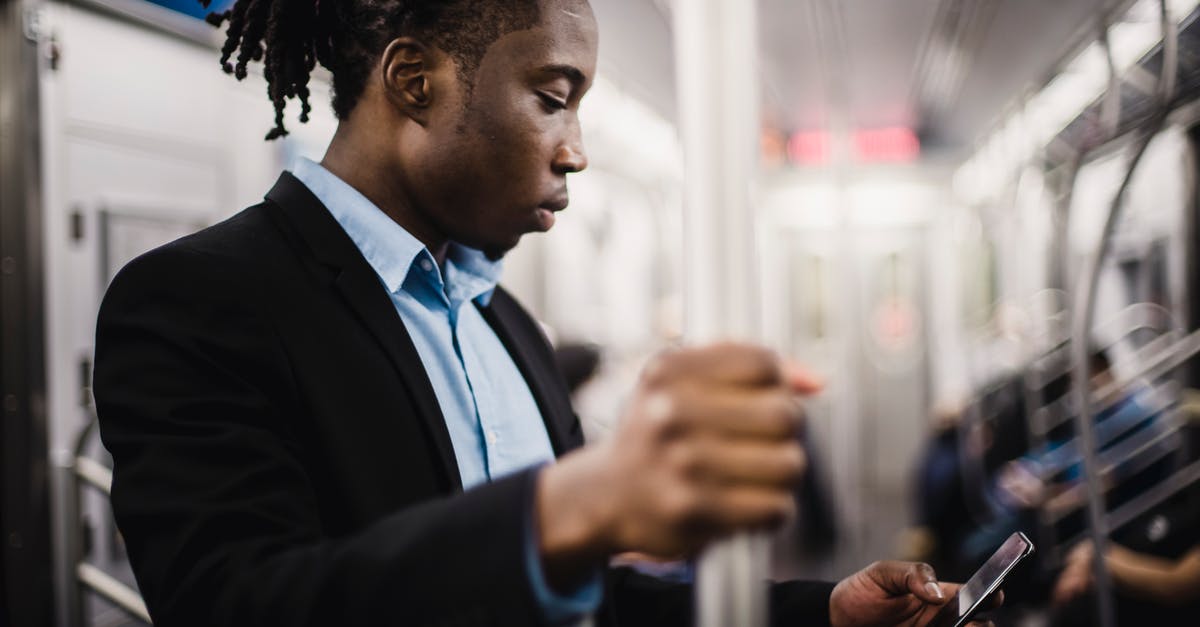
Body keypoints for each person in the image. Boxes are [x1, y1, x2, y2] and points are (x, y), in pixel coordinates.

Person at [92, 1, 994, 625]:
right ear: (414, 82)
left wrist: (821, 610)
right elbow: (242, 606)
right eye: (554, 99)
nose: (577, 152)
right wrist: (572, 505)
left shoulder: (507, 328)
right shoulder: (200, 303)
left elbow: (586, 598)